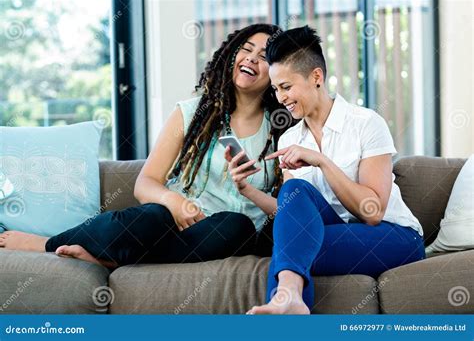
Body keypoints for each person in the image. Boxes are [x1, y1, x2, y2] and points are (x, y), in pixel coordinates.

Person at [0, 24, 289, 268]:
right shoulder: (192, 114)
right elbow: (145, 184)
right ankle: (49, 243)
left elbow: (286, 206)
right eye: (246, 48)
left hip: (223, 236)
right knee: (151, 216)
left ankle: (112, 260)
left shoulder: (281, 130)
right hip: (170, 228)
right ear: (231, 55)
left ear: (276, 73)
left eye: (263, 56)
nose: (251, 58)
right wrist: (175, 202)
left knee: (235, 225)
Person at [227, 26, 425, 315]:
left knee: (288, 252)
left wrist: (322, 161)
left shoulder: (366, 124)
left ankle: (287, 299)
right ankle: (288, 298)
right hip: (337, 232)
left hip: (393, 236)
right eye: (275, 89)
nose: (280, 98)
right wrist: (247, 190)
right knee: (294, 200)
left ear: (316, 77)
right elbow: (290, 212)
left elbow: (372, 212)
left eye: (286, 87)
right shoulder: (290, 139)